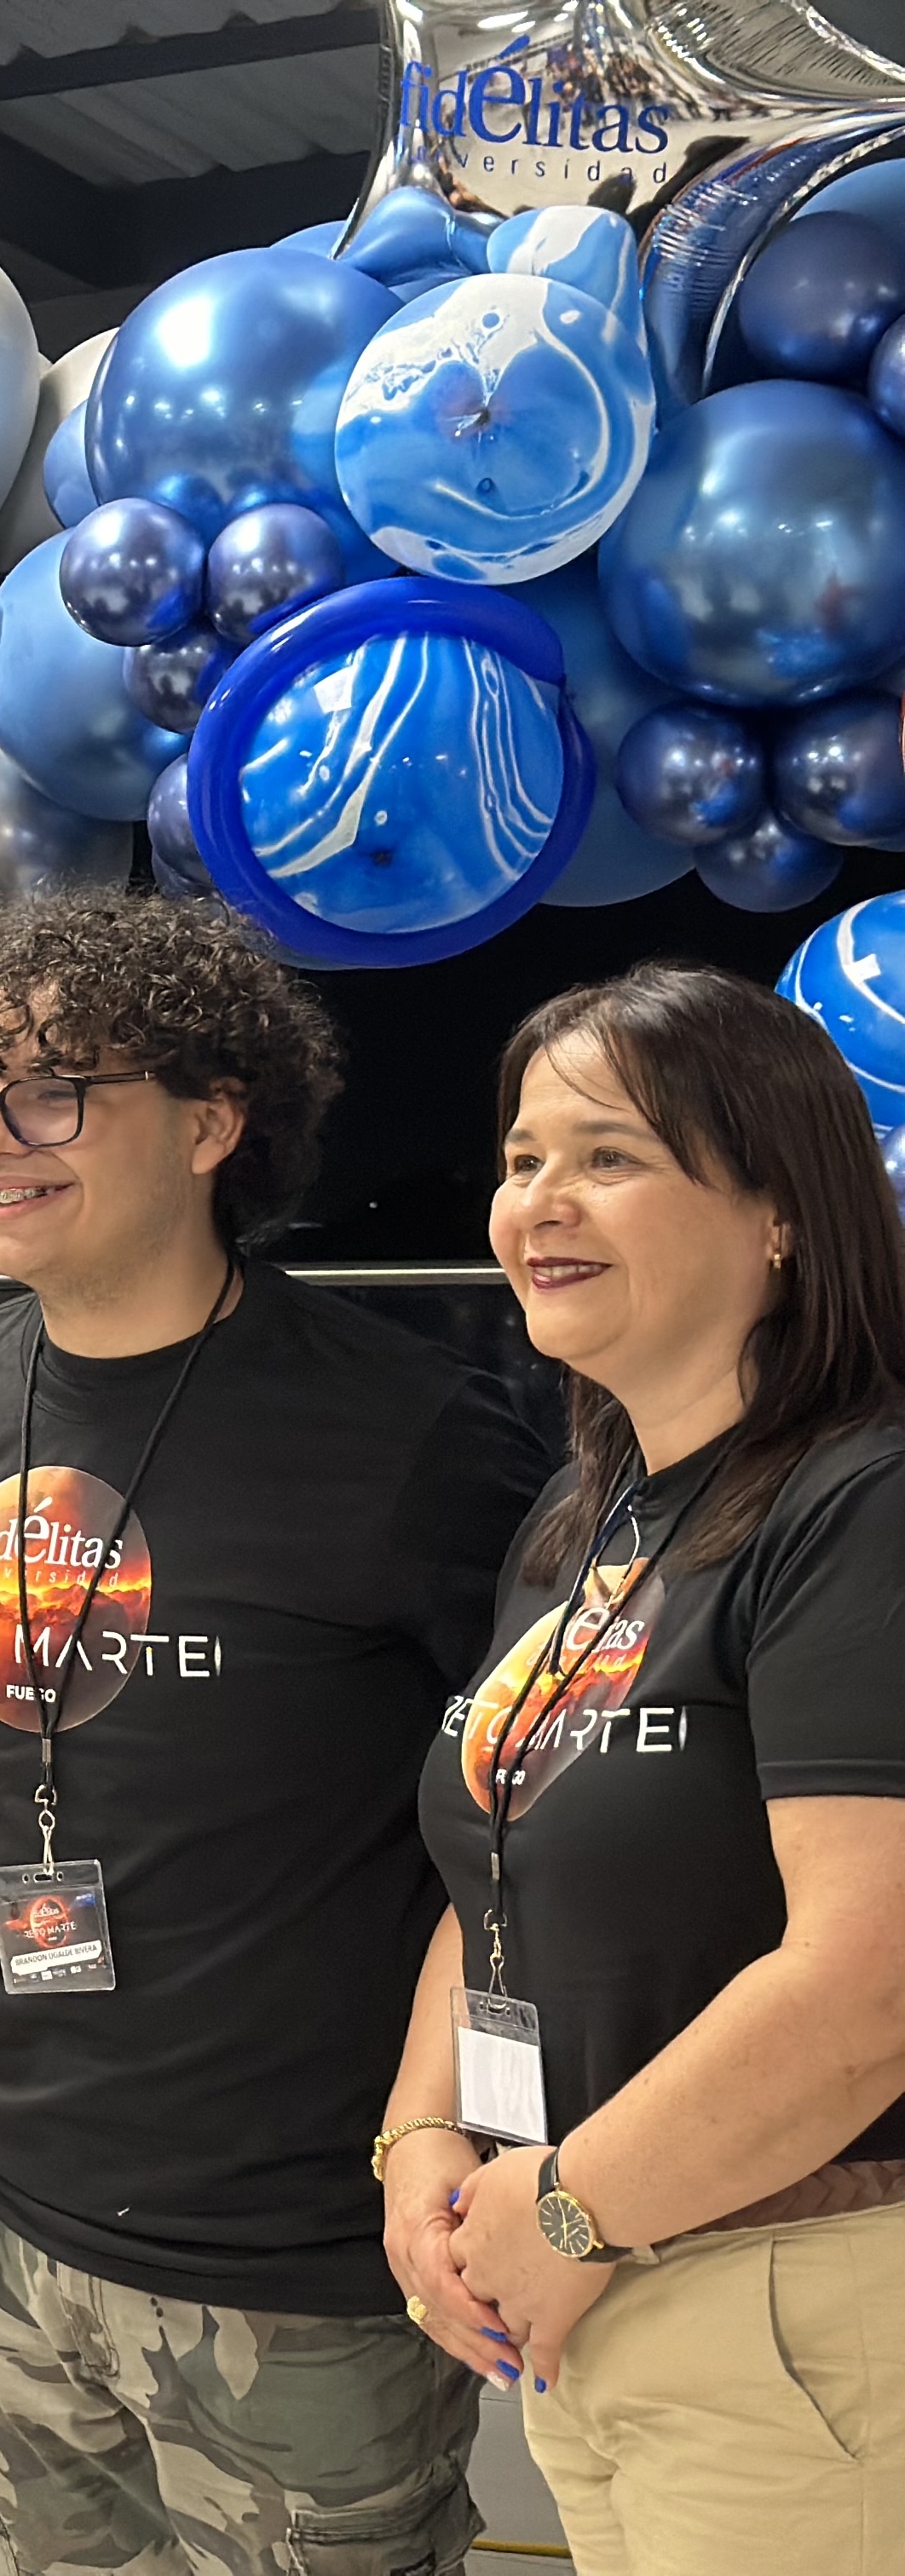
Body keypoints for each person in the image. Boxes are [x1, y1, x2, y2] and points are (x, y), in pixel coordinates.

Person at [0, 892, 550, 2576]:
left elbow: (524, 1826)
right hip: (7, 2208)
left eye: (49, 1093)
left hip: (304, 2251)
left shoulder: (414, 1439)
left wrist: (478, 2131)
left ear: (209, 1122)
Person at [383, 963, 905, 2573]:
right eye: (523, 1158)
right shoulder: (585, 1520)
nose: (540, 1201)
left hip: (797, 2296)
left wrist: (566, 2206)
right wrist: (418, 2148)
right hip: (595, 2286)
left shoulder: (862, 1506)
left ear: (781, 1212)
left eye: (609, 1156)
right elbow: (498, 1865)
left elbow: (869, 1980)